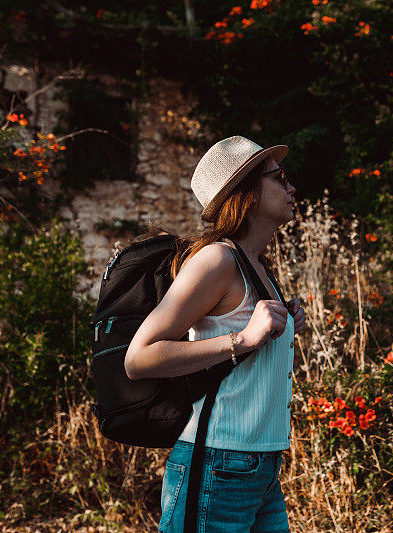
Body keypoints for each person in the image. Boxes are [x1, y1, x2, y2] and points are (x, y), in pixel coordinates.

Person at [124, 135, 306, 532]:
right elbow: (139, 357)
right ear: (249, 194)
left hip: (261, 468)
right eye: (280, 178)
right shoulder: (217, 260)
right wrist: (242, 340)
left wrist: (285, 319)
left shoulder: (256, 265)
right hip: (217, 466)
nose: (291, 188)